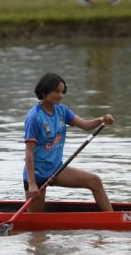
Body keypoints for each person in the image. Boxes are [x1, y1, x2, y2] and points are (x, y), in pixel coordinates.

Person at [23, 73, 115, 213]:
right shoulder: (34, 117)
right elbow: (29, 154)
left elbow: (85, 125)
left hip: (57, 169)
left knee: (94, 181)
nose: (61, 95)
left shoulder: (62, 110)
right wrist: (32, 184)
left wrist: (101, 119)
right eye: (57, 91)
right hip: (37, 175)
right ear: (44, 92)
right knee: (33, 223)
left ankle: (112, 218)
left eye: (62, 92)